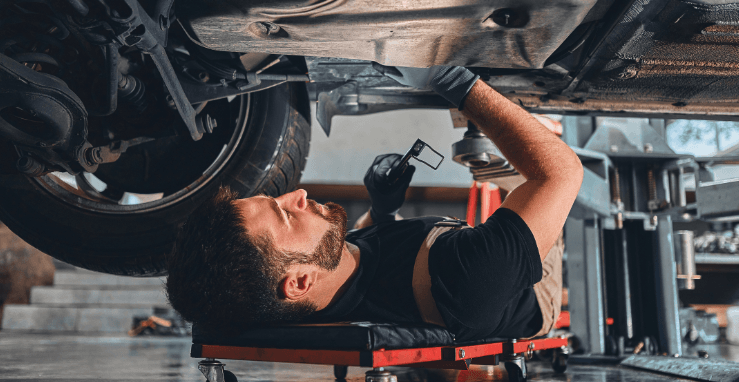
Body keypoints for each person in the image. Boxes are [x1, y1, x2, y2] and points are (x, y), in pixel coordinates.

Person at [165, 64, 583, 341]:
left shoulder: (313, 290)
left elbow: (363, 255)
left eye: (277, 198)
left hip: (442, 252)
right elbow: (562, 173)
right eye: (285, 214)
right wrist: (456, 81)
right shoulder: (467, 281)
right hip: (528, 289)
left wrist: (383, 209)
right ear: (299, 282)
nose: (298, 195)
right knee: (532, 155)